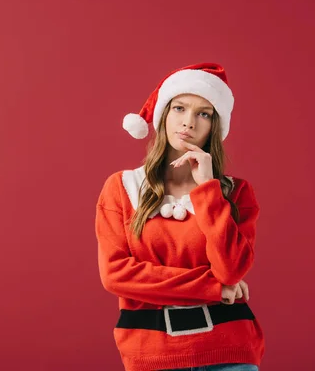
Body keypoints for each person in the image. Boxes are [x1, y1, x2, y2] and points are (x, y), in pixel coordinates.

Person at [95, 63, 264, 371]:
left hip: (229, 352)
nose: (188, 123)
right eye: (179, 108)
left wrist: (208, 189)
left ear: (214, 125)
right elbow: (117, 274)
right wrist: (213, 288)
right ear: (163, 114)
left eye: (204, 113)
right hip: (153, 353)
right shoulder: (122, 187)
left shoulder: (234, 192)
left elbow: (230, 271)